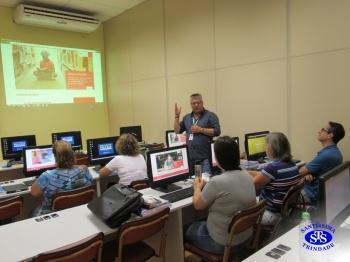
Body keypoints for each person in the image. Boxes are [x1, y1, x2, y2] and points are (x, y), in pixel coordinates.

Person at [185, 136, 256, 254]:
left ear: (218, 159)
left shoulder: (217, 182)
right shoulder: (247, 175)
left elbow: (197, 205)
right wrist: (209, 186)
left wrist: (197, 187)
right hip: (246, 236)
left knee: (185, 229)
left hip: (223, 243)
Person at [247, 132, 300, 225]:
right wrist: (248, 172)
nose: (265, 148)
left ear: (271, 149)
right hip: (286, 210)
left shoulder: (272, 168)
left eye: (266, 145)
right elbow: (263, 175)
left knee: (240, 204)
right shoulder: (291, 164)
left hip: (271, 214)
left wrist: (238, 175)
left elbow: (251, 186)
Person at [30, 141, 93, 217]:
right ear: (72, 154)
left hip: (53, 215)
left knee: (32, 211)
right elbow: (90, 183)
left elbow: (34, 193)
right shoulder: (84, 169)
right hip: (78, 211)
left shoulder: (47, 176)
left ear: (54, 157)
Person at [300, 121, 345, 205]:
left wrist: (305, 172)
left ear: (330, 135)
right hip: (319, 191)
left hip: (311, 194)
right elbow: (312, 170)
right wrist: (308, 173)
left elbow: (299, 172)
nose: (319, 131)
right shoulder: (335, 152)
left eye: (323, 130)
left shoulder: (326, 155)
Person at [174, 93, 220, 173]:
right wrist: (177, 117)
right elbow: (177, 131)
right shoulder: (187, 118)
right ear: (191, 104)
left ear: (202, 102)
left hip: (205, 159)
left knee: (205, 182)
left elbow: (217, 131)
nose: (196, 105)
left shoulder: (210, 116)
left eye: (198, 102)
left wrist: (201, 130)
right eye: (193, 103)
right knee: (195, 182)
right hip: (191, 160)